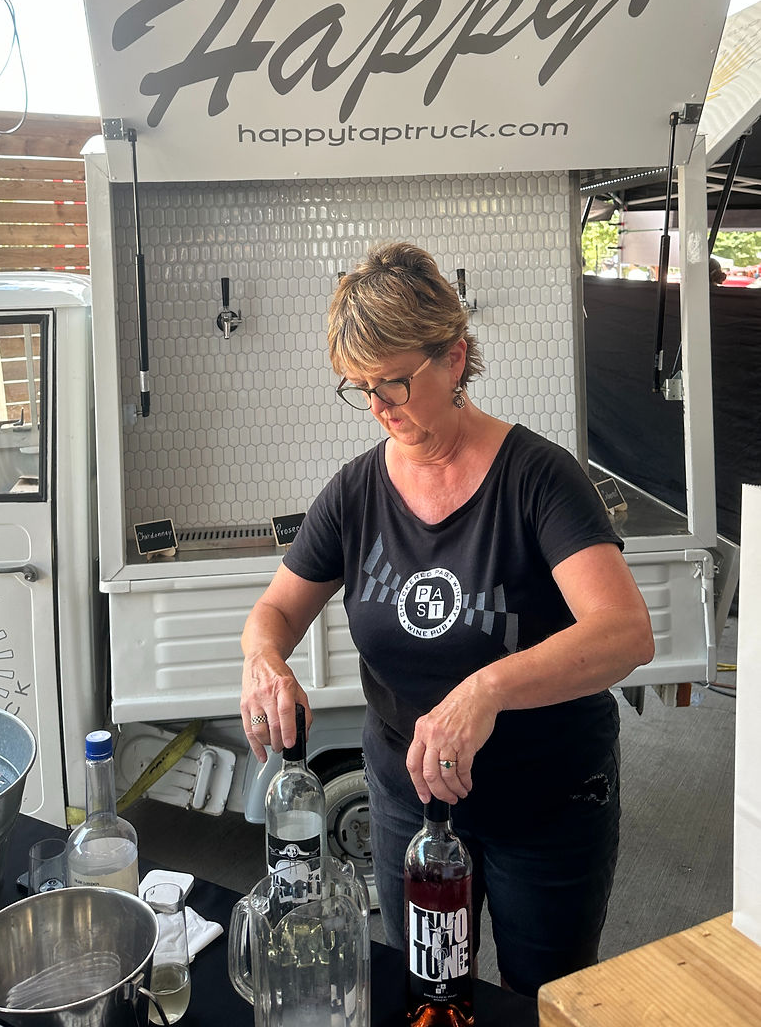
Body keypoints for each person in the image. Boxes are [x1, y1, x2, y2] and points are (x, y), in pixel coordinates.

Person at [240, 241, 654, 998]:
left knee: (545, 995)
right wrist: (264, 659)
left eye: (393, 382)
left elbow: (625, 631)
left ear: (456, 357)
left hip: (547, 803)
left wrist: (485, 690)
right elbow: (274, 610)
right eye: (358, 387)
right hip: (409, 802)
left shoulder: (538, 477)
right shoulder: (356, 491)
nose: (377, 406)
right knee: (432, 992)